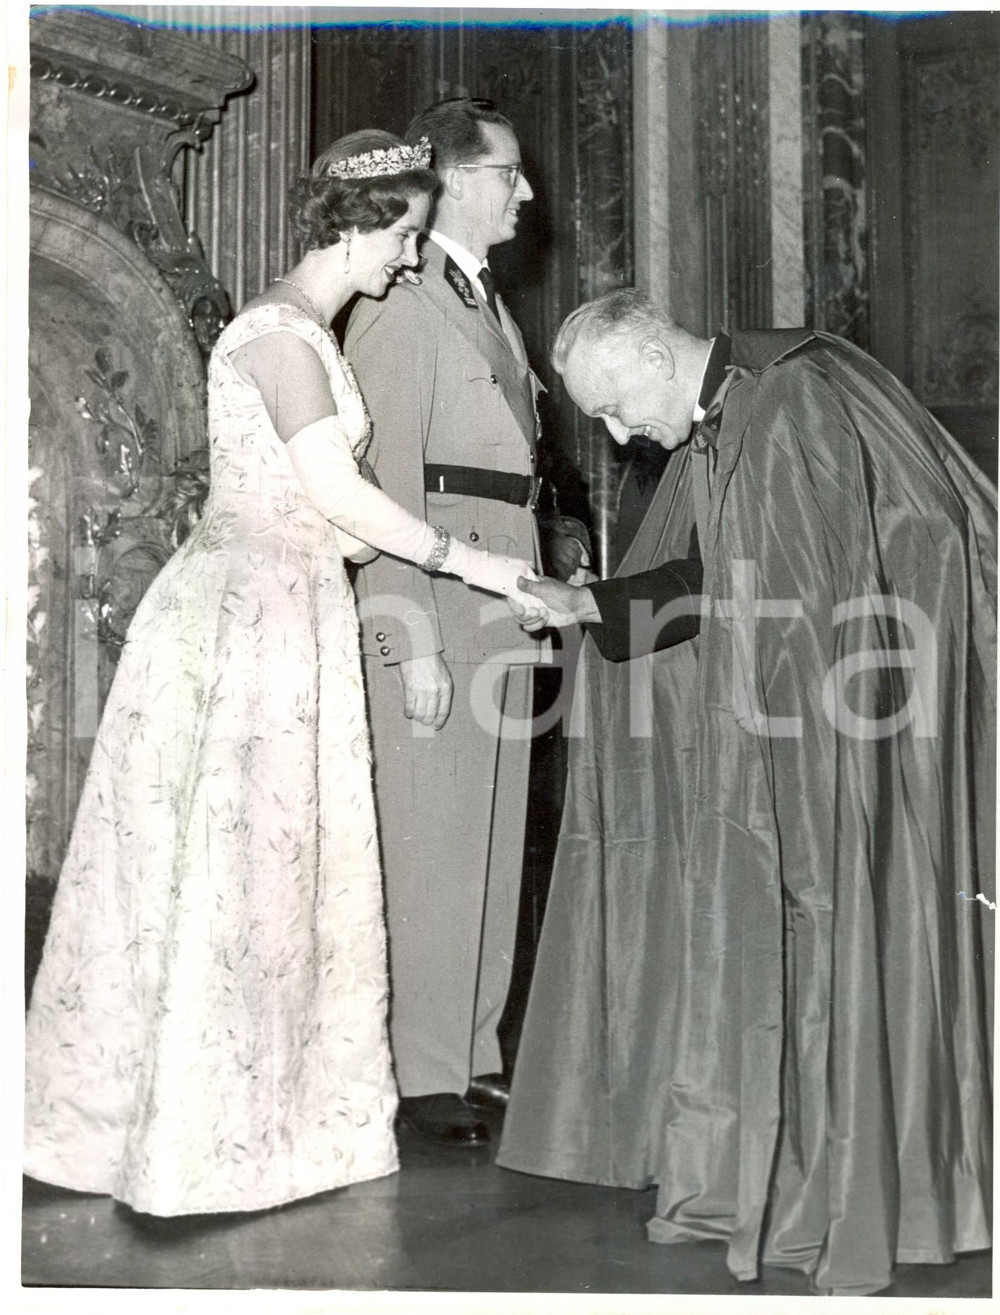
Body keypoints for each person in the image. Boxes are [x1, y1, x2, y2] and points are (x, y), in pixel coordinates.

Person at [22, 130, 543, 1218]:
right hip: (246, 613)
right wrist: (467, 558)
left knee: (275, 877)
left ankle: (258, 1125)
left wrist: (365, 546)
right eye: (401, 235)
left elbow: (336, 521)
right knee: (236, 869)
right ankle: (196, 1139)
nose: (408, 259)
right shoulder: (281, 336)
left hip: (292, 602)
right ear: (354, 225)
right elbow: (339, 496)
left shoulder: (315, 335)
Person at [497, 290, 996, 1295]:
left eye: (612, 404)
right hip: (810, 726)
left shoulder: (791, 399)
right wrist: (589, 600)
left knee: (834, 936)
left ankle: (838, 1184)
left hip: (848, 740)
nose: (612, 430)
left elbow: (831, 587)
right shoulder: (733, 414)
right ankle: (793, 1169)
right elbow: (723, 577)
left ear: (648, 352)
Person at [345, 98, 577, 1146]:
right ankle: (418, 1072)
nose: (525, 195)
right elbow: (380, 486)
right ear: (445, 181)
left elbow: (513, 471)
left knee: (485, 836)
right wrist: (409, 639)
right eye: (507, 175)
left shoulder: (480, 301)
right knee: (429, 839)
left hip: (501, 598)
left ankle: (472, 1057)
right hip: (439, 600)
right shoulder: (401, 300)